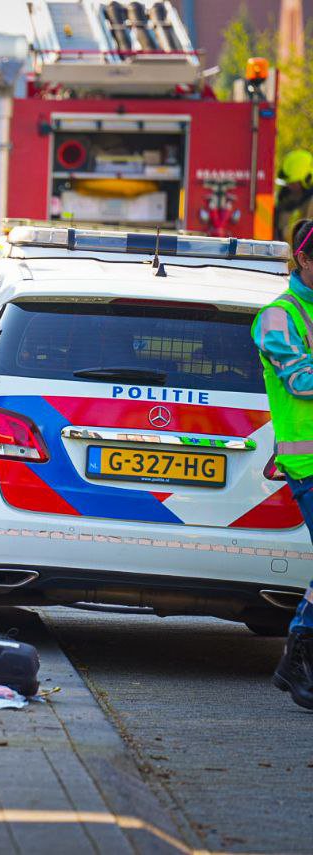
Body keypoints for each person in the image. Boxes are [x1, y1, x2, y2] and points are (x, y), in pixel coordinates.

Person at [252, 217, 313, 711]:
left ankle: (296, 656)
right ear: (303, 260)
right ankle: (296, 655)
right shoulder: (279, 316)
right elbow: (299, 381)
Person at [276, 149, 313, 244]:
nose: (289, 186)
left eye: (293, 182)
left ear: (307, 179)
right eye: (288, 182)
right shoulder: (285, 199)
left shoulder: (310, 202)